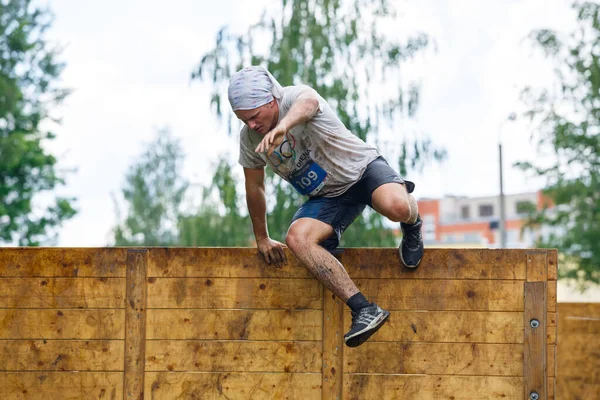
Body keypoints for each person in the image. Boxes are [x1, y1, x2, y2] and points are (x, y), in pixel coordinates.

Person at [228, 66, 423, 347]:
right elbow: (254, 187)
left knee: (396, 207)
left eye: (255, 117)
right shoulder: (250, 139)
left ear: (271, 101)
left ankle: (413, 222)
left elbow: (310, 104)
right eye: (244, 120)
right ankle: (364, 309)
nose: (252, 126)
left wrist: (283, 127)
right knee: (297, 238)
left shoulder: (294, 98)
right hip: (329, 197)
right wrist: (261, 237)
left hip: (362, 171)